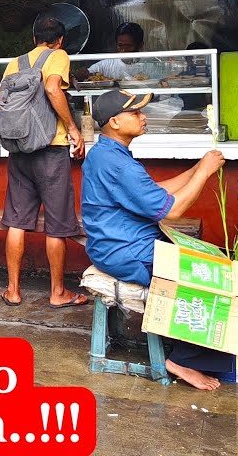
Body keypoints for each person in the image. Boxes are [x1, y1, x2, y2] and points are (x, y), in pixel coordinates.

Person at [81, 89, 228, 390]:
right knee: (202, 276)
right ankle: (181, 360)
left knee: (214, 259)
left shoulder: (107, 152)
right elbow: (173, 209)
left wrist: (198, 168)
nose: (143, 116)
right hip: (125, 251)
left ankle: (188, 354)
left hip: (118, 243)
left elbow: (154, 192)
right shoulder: (117, 163)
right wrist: (206, 173)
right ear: (115, 123)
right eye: (135, 113)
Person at [0, 16, 88, 309]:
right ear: (60, 40)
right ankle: (58, 292)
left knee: (17, 221)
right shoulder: (58, 55)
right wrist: (73, 129)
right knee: (57, 224)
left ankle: (13, 290)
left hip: (19, 149)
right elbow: (52, 88)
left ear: (34, 38)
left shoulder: (16, 63)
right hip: (50, 149)